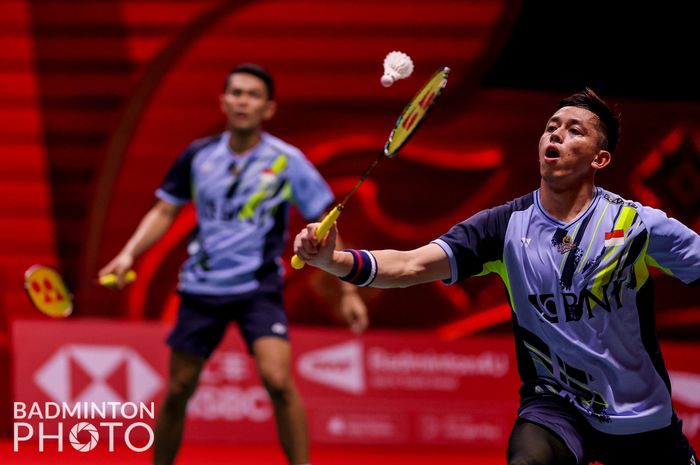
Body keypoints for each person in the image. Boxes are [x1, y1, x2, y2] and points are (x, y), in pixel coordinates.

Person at [293, 88, 700, 465]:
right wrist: (334, 261)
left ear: (600, 158)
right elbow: (411, 265)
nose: (555, 135)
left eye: (574, 130)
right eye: (551, 128)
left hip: (640, 416)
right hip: (556, 406)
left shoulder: (636, 225)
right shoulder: (503, 226)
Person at [99, 63, 368, 465]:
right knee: (177, 390)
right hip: (201, 288)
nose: (243, 101)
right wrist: (127, 254)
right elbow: (163, 211)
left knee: (278, 382)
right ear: (223, 101)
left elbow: (324, 222)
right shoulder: (198, 155)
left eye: (253, 95)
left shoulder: (286, 160)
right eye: (237, 93)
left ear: (269, 107)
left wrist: (346, 290)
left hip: (258, 288)